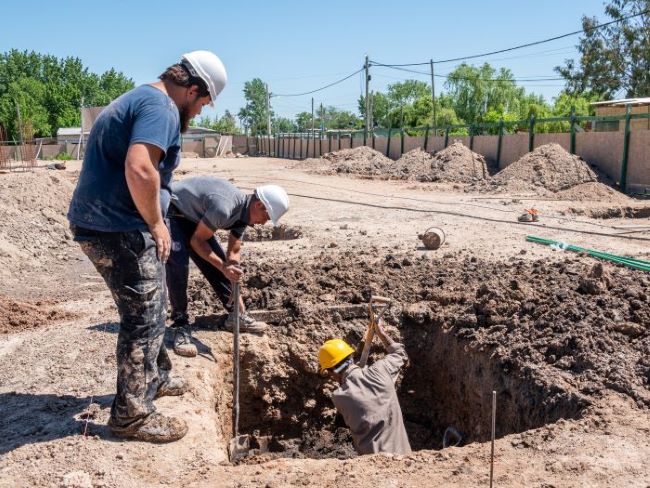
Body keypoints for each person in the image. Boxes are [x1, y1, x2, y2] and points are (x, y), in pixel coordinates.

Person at [67, 51, 227, 443]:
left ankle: (155, 377)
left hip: (102, 220)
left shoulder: (142, 97)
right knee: (142, 317)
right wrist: (157, 223)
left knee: (151, 308)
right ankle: (131, 416)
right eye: (203, 103)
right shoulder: (163, 108)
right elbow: (140, 167)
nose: (201, 113)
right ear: (191, 90)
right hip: (117, 225)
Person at [166, 176, 289, 357]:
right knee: (178, 265)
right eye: (267, 216)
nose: (264, 223)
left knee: (221, 265)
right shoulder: (224, 208)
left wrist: (232, 273)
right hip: (173, 212)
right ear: (259, 205)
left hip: (195, 217)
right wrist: (224, 267)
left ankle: (236, 316)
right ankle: (180, 324)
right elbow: (197, 241)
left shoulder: (243, 216)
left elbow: (233, 252)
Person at [318, 319, 411, 455]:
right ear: (351, 356)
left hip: (372, 469)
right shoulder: (381, 370)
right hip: (406, 460)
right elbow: (400, 354)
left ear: (332, 371)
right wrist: (381, 332)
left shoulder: (339, 397)